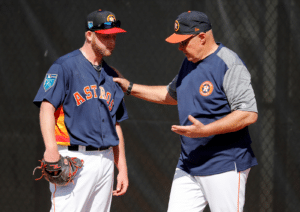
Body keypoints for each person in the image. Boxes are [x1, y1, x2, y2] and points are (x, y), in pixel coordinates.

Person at [114, 11, 258, 212]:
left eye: (184, 42)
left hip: (224, 163)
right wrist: (130, 87)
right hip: (189, 164)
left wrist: (206, 130)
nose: (180, 47)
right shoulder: (189, 63)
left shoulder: (228, 63)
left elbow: (248, 113)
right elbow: (171, 94)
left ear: (202, 37)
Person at [33, 9, 129, 212]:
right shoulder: (64, 66)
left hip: (106, 161)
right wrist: (51, 149)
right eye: (105, 36)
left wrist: (123, 169)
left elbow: (116, 124)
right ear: (89, 35)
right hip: (74, 158)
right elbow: (46, 108)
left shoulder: (112, 75)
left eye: (114, 36)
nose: (111, 41)